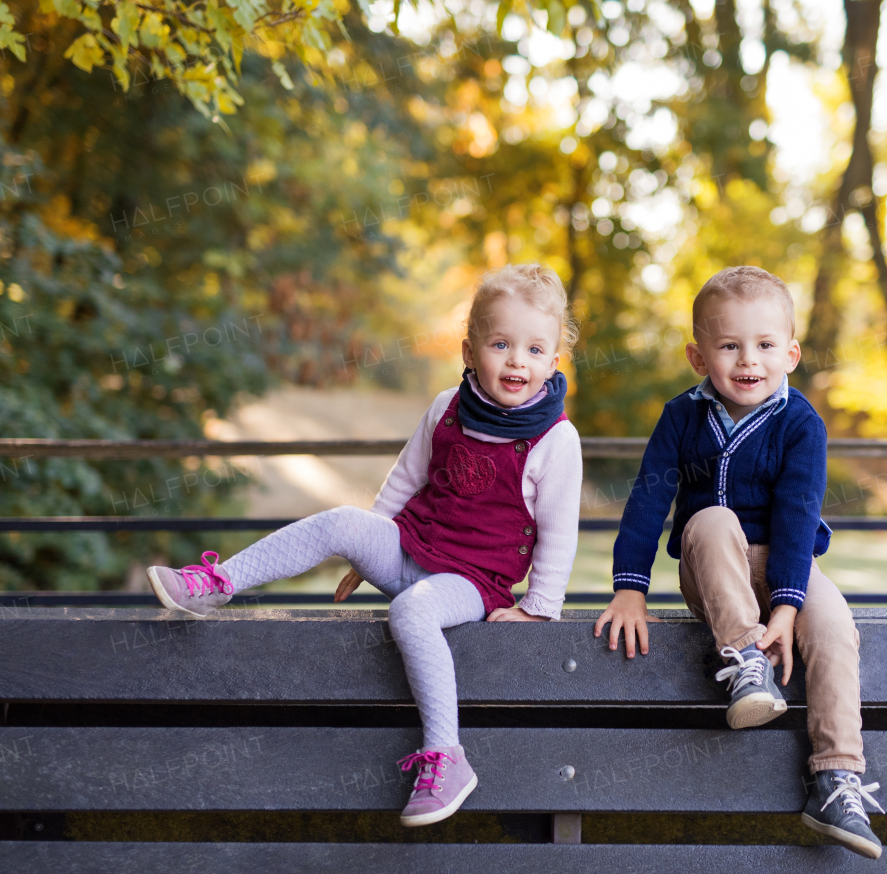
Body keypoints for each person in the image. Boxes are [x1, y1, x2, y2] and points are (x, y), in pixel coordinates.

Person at [147, 263, 582, 828]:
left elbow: (558, 532)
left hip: (471, 582)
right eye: (500, 343)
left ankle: (447, 757)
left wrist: (538, 610)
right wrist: (367, 545)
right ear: (470, 348)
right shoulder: (446, 407)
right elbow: (405, 480)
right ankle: (215, 584)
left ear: (553, 360)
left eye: (533, 348)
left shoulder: (556, 438)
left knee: (412, 610)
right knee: (342, 520)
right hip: (410, 546)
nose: (516, 360)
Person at [593, 266, 884, 859]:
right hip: (711, 562)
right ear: (699, 357)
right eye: (729, 346)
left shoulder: (800, 423)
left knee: (833, 628)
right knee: (714, 517)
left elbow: (798, 517)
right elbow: (649, 500)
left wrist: (787, 605)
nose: (748, 359)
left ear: (792, 354)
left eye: (765, 345)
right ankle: (744, 659)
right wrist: (630, 589)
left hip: (787, 562)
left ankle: (836, 776)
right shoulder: (682, 417)